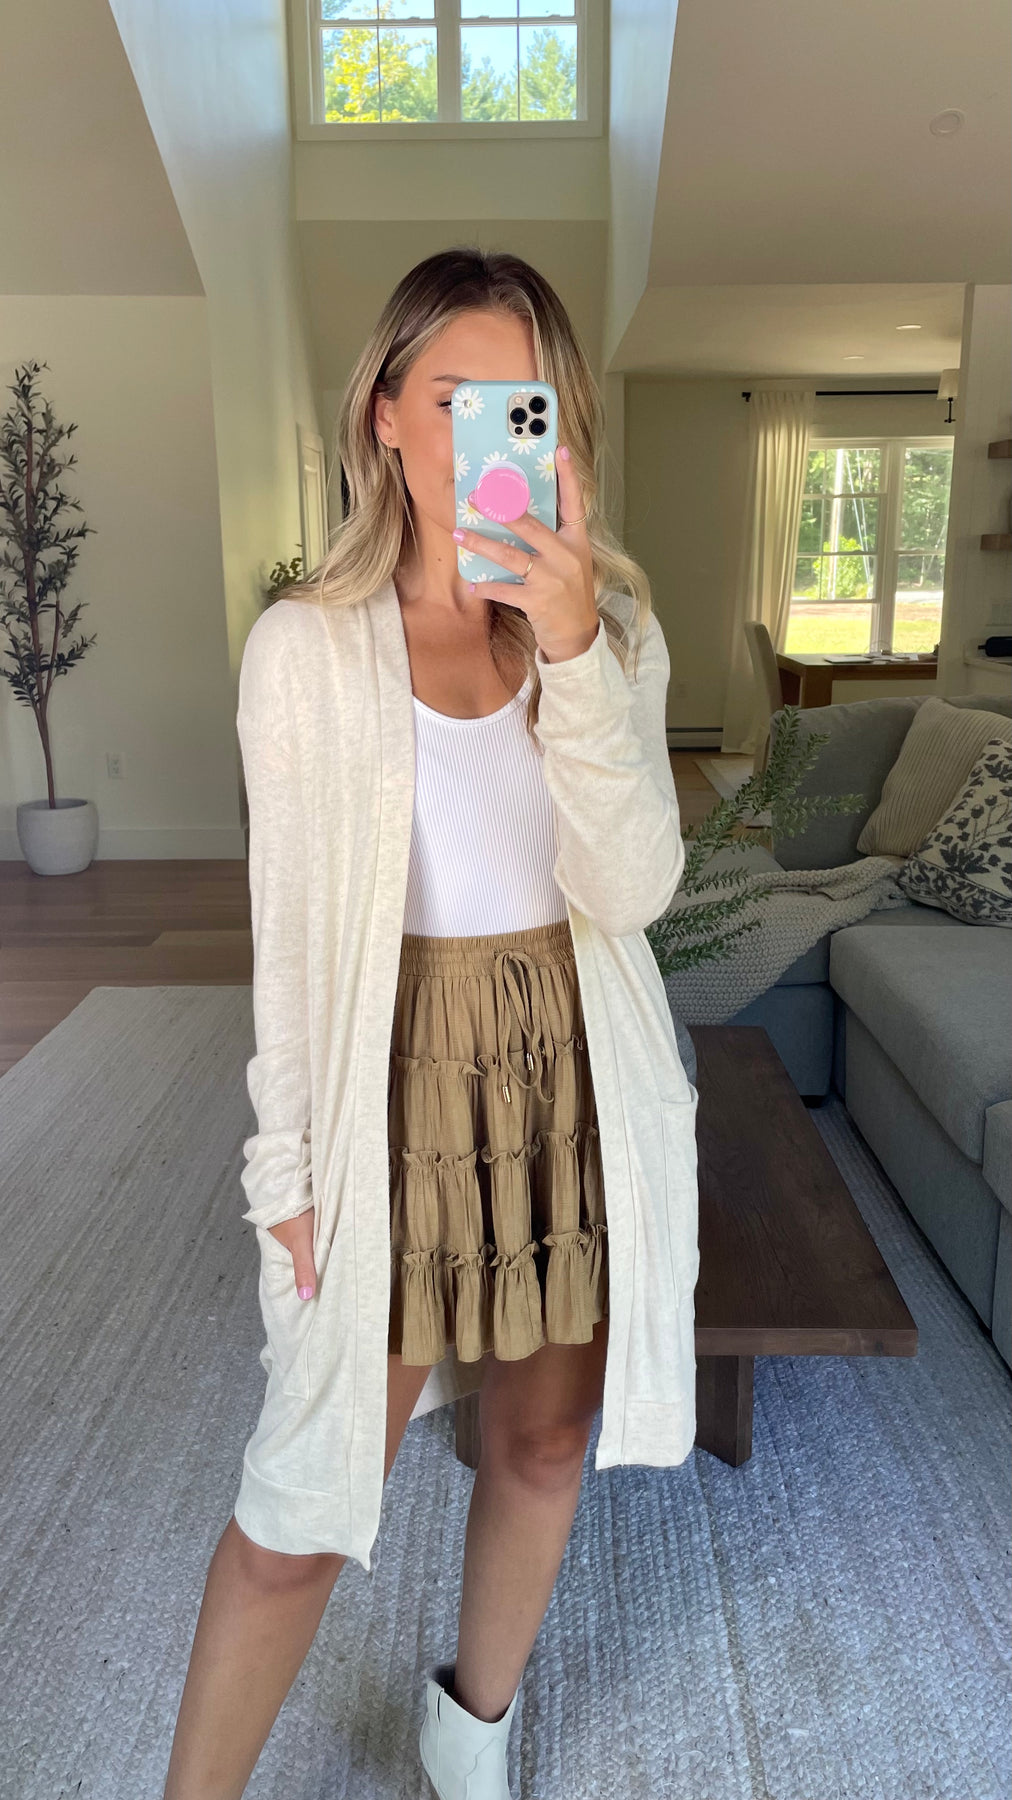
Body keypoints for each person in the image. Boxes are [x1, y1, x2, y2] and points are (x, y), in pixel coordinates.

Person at [163, 246, 699, 1800]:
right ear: (385, 415)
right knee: (305, 1500)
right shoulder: (304, 651)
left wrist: (575, 646)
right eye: (454, 396)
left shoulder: (611, 630)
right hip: (388, 1080)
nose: (483, 435)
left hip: (571, 1068)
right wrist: (285, 1172)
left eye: (520, 403)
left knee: (542, 1442)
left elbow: (636, 889)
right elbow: (287, 943)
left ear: (560, 426)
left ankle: (473, 1731)